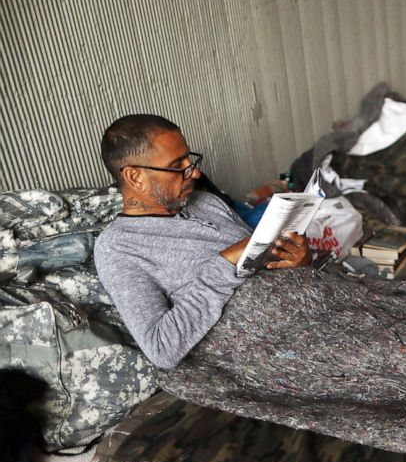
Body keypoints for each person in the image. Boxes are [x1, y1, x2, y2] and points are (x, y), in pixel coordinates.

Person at [93, 114, 311, 369]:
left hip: (312, 307)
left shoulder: (207, 203)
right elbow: (161, 348)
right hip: (277, 348)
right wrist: (224, 263)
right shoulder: (119, 247)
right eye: (177, 165)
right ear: (134, 177)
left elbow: (267, 265)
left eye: (190, 159)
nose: (195, 172)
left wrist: (299, 261)